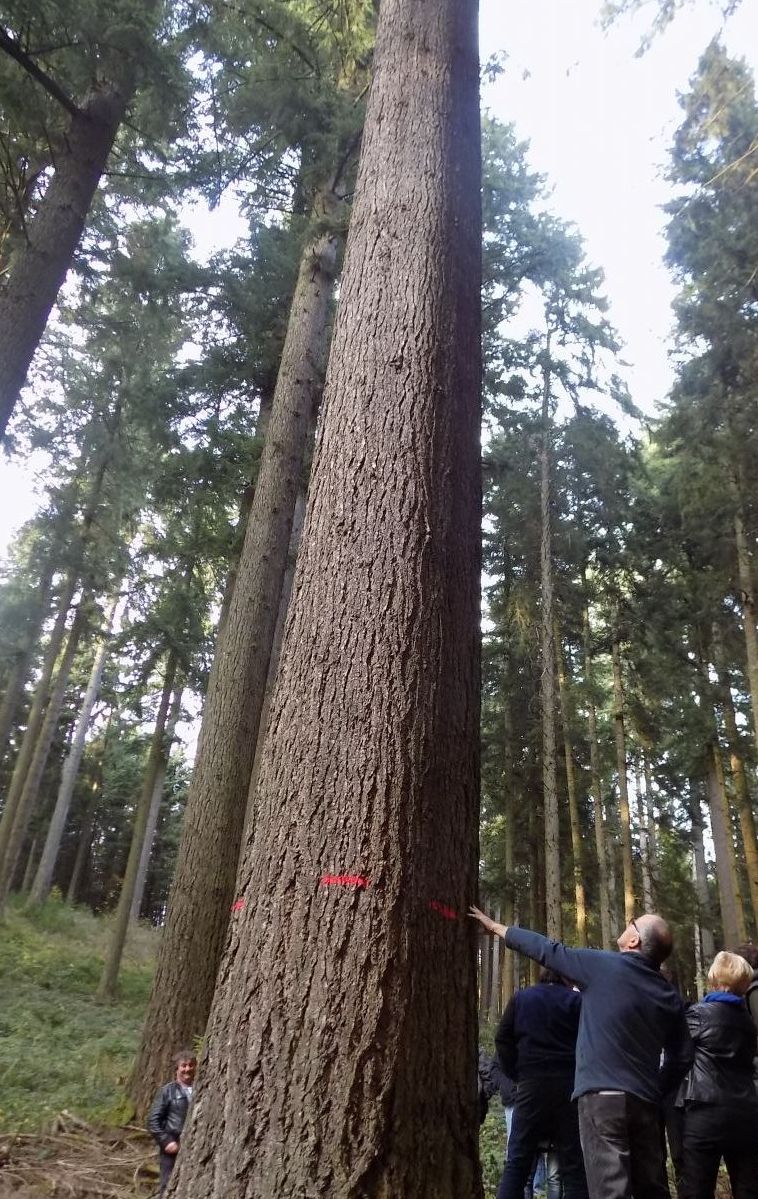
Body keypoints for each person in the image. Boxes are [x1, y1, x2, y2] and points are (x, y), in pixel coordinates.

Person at [470, 907, 692, 1199]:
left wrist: (499, 928)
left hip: (601, 1101)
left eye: (631, 923)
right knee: (651, 1188)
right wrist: (655, 1088)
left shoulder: (603, 967)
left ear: (634, 940)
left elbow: (549, 951)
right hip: (645, 1103)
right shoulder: (669, 996)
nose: (627, 925)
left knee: (608, 1189)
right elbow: (683, 1056)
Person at [494, 968, 587, 1199]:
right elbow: (589, 1041)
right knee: (574, 1166)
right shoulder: (577, 1001)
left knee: (517, 1162)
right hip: (569, 1088)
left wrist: (516, 1073)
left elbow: (502, 1038)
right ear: (567, 977)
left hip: (530, 1086)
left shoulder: (522, 998)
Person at [676, 951, 758, 1199]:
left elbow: (676, 1052)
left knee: (696, 1189)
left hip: (706, 1111)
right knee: (749, 1189)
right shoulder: (748, 1022)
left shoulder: (699, 1015)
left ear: (714, 980)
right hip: (747, 1112)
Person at [147, 1049, 197, 1196]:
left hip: (196, 1143)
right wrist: (166, 1141)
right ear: (177, 1069)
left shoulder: (202, 1089)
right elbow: (153, 1121)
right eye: (184, 1066)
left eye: (191, 1065)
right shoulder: (167, 1091)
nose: (187, 1069)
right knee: (168, 1185)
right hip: (173, 1145)